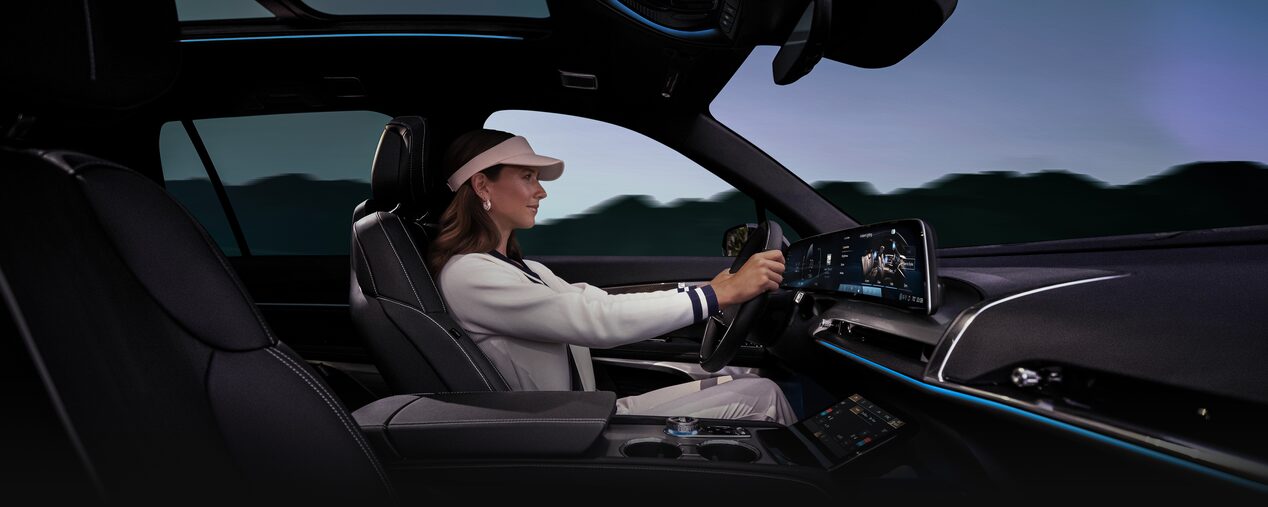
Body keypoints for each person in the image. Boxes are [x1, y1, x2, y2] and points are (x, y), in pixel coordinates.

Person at [431, 129, 797, 425]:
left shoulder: (523, 269)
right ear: (482, 186)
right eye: (528, 177)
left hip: (585, 414)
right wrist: (716, 296)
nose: (541, 190)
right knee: (764, 396)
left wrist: (707, 289)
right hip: (563, 432)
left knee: (743, 375)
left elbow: (599, 302)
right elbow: (595, 322)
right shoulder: (470, 274)